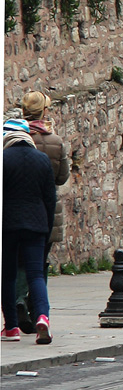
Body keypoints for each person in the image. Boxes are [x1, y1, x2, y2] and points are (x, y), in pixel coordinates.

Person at [17, 91, 69, 335]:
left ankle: (17, 302)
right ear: (44, 112)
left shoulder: (14, 139)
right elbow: (62, 177)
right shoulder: (55, 142)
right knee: (40, 263)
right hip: (46, 210)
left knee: (17, 262)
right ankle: (37, 309)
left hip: (15, 208)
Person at [3, 118, 56, 344]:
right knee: (36, 274)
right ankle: (42, 317)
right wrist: (48, 227)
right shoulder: (42, 160)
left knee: (7, 275)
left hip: (7, 225)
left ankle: (12, 327)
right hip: (37, 224)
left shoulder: (2, 160)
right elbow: (50, 199)